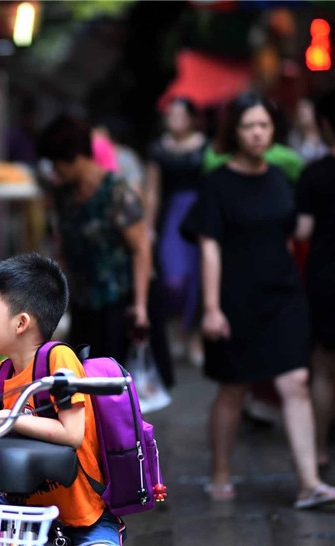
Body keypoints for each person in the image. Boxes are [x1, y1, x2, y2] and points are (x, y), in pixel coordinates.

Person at [180, 92, 335, 508]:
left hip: (283, 294)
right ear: (235, 131)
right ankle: (220, 472)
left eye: (264, 126)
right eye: (249, 126)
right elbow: (209, 247)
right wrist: (211, 308)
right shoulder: (217, 182)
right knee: (233, 389)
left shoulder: (281, 178)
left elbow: (291, 234)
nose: (257, 133)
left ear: (273, 130)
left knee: (296, 381)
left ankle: (308, 482)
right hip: (234, 298)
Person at [0, 253, 127, 545]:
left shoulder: (58, 359)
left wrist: (12, 419)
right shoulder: (0, 376)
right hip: (23, 517)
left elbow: (72, 433)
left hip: (83, 522)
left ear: (21, 323)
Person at [37, 115, 151, 364]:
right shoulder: (63, 197)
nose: (54, 171)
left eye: (57, 164)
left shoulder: (116, 193)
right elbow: (63, 249)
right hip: (82, 302)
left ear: (76, 158)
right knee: (82, 376)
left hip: (117, 305)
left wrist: (140, 307)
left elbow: (141, 249)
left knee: (113, 382)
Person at [144, 98, 207, 368]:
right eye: (171, 114)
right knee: (174, 279)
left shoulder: (207, 146)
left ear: (192, 118)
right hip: (173, 218)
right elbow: (152, 191)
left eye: (181, 114)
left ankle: (194, 337)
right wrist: (147, 225)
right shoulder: (159, 149)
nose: (175, 119)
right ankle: (179, 326)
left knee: (199, 278)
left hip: (202, 214)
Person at [295, 89, 335, 469]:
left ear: (325, 125)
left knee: (322, 369)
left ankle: (321, 447)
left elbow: (303, 230)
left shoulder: (315, 174)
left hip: (326, 277)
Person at [288, 97, 329, 165]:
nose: (303, 114)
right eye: (300, 111)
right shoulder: (294, 138)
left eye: (307, 111)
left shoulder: (325, 134)